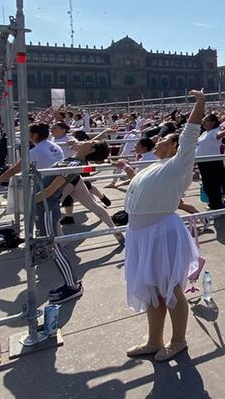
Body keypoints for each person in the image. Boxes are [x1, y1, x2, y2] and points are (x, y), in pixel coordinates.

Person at [122, 90, 207, 362]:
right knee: (152, 290)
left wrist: (200, 104)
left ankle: (178, 340)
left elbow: (190, 135)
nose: (157, 142)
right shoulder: (154, 166)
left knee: (170, 288)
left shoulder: (178, 164)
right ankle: (153, 340)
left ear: (174, 148)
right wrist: (129, 173)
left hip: (160, 231)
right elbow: (148, 189)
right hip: (139, 234)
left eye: (164, 140)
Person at [32, 138, 112, 303]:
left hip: (46, 208)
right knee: (53, 246)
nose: (85, 141)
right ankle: (70, 283)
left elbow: (50, 191)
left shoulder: (74, 165)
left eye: (89, 141)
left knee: (55, 248)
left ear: (90, 149)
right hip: (42, 206)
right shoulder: (72, 160)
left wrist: (30, 201)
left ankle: (73, 285)